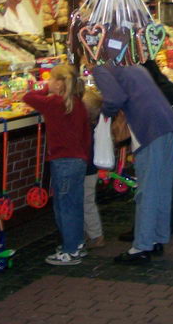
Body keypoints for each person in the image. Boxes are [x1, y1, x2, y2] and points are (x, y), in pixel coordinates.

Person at [91, 63, 173, 264]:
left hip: (148, 129)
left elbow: (114, 98)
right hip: (167, 123)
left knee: (147, 190)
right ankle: (157, 237)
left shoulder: (101, 68)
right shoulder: (131, 65)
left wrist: (104, 116)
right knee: (162, 186)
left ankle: (141, 246)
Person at [23, 64, 91, 265]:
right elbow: (86, 136)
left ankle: (70, 251)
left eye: (52, 79)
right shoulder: (77, 103)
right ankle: (77, 243)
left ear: (60, 84)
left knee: (64, 207)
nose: (47, 82)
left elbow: (28, 97)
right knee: (74, 205)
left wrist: (46, 89)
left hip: (63, 161)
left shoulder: (53, 104)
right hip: (78, 160)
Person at [81, 87, 105, 249]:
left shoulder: (86, 132)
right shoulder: (94, 128)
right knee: (86, 202)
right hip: (91, 170)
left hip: (87, 170)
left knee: (86, 203)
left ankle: (96, 235)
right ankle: (89, 232)